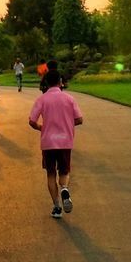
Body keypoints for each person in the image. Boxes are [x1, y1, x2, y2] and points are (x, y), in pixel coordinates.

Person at [29, 70, 83, 218]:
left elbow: (32, 121)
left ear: (46, 82)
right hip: (65, 141)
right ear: (60, 81)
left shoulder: (42, 100)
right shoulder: (69, 98)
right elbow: (79, 119)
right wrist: (66, 124)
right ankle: (64, 188)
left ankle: (57, 206)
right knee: (64, 171)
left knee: (51, 173)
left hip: (48, 142)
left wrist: (42, 127)